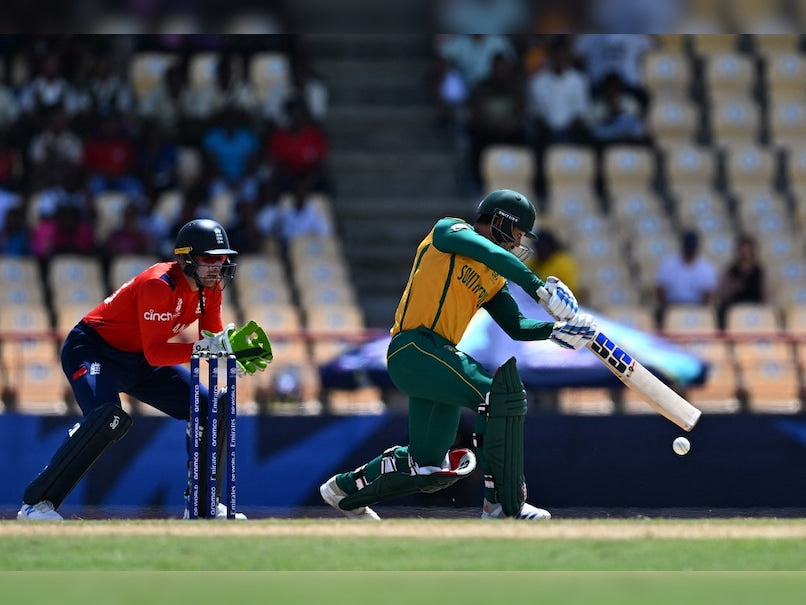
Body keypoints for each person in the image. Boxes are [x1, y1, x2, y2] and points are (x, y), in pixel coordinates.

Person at [320, 189, 597, 521]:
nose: (520, 243)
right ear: (501, 224)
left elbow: (517, 325)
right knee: (500, 396)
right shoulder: (449, 231)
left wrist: (553, 332)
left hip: (437, 359)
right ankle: (503, 505)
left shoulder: (493, 278)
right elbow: (488, 251)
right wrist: (538, 287)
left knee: (428, 468)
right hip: (414, 347)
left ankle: (344, 491)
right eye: (519, 233)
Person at [17, 218, 274, 521]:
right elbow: (157, 354)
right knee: (105, 420)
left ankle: (202, 508)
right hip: (94, 350)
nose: (217, 266)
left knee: (207, 408)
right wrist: (211, 349)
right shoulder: (158, 284)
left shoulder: (211, 286)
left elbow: (210, 340)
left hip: (138, 358)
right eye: (208, 259)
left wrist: (227, 355)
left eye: (221, 259)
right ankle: (36, 505)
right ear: (185, 258)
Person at [654, 229, 718, 328]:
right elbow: (660, 291)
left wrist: (697, 311)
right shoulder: (669, 265)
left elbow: (708, 295)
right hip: (672, 307)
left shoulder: (706, 268)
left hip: (697, 308)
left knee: (709, 314)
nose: (690, 250)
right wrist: (669, 309)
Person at [715, 234, 766, 330]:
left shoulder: (759, 272)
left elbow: (765, 296)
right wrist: (735, 287)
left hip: (755, 310)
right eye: (743, 251)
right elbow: (723, 295)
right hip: (734, 309)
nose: (745, 254)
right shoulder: (730, 271)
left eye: (748, 251)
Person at [525, 228, 580, 295]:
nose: (540, 252)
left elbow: (570, 291)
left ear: (550, 247)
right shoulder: (535, 262)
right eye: (538, 249)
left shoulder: (564, 264)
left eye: (542, 248)